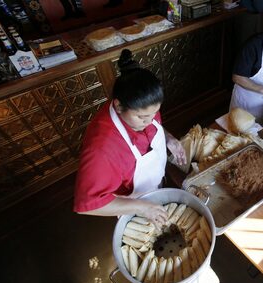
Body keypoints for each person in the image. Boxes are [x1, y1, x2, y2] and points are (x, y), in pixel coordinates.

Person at [73, 49, 186, 229]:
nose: (149, 121)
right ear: (118, 106)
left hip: (154, 189)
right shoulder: (102, 148)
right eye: (142, 118)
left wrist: (168, 138)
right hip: (132, 205)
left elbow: (154, 124)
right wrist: (141, 208)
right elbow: (87, 205)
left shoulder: (143, 107)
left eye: (154, 113)